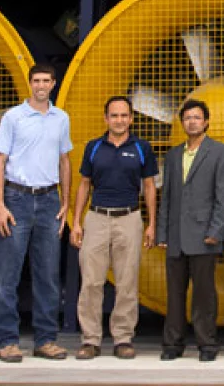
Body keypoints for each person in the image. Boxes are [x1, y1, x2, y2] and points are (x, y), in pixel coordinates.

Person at [0, 62, 73, 363]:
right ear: (30, 84)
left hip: (49, 199)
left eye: (46, 80)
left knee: (48, 274)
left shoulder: (61, 118)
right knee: (8, 274)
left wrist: (66, 202)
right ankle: (8, 340)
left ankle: (46, 339)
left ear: (53, 84)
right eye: (36, 80)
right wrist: (0, 205)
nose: (40, 85)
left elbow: (64, 160)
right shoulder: (13, 117)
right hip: (17, 199)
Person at [70, 96, 158, 361]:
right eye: (114, 115)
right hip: (97, 218)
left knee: (127, 281)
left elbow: (150, 186)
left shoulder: (142, 147)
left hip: (129, 218)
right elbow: (84, 184)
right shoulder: (93, 147)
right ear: (106, 118)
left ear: (131, 118)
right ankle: (90, 339)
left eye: (124, 116)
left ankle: (122, 338)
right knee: (91, 281)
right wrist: (76, 222)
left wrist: (151, 223)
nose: (119, 120)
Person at [156, 99, 224, 362]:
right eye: (188, 118)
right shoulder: (173, 154)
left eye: (197, 117)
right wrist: (163, 234)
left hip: (204, 235)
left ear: (206, 122)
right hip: (177, 235)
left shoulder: (221, 153)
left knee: (204, 294)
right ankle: (172, 344)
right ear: (182, 123)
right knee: (174, 294)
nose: (192, 122)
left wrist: (216, 231)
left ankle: (207, 344)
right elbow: (166, 197)